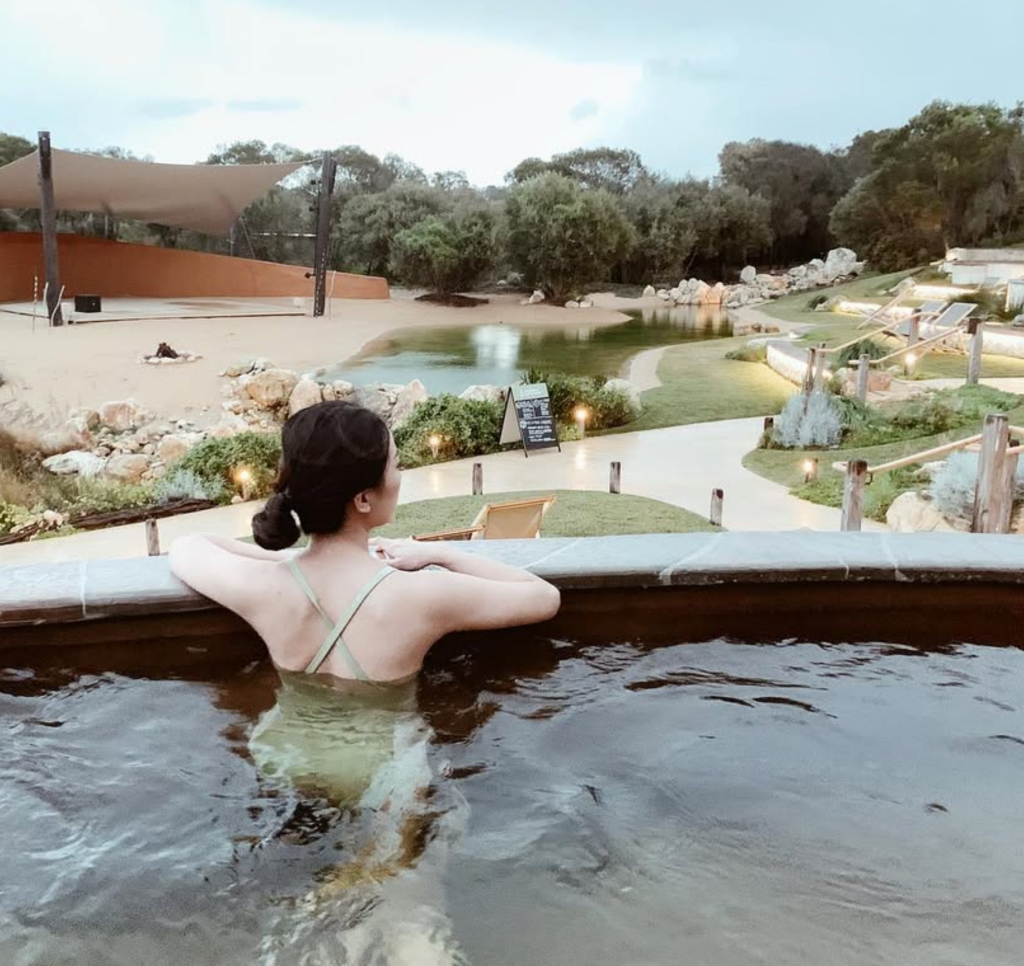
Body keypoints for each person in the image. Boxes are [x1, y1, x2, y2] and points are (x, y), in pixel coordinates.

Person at [169, 399, 561, 684]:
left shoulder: (262, 586)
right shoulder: (423, 594)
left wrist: (283, 559)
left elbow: (188, 544)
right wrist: (442, 552)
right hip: (387, 784)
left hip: (289, 763)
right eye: (396, 463)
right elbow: (543, 597)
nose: (401, 474)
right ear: (362, 498)